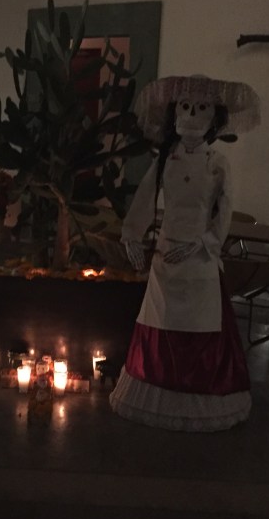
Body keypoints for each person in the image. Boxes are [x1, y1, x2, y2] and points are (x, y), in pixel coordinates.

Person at [109, 75, 260, 431]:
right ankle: (156, 387)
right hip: (165, 255)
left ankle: (202, 396)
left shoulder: (218, 162)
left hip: (200, 257)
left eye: (201, 108)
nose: (191, 115)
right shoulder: (164, 159)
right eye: (185, 107)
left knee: (201, 323)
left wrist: (204, 242)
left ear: (214, 118)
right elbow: (145, 197)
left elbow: (225, 210)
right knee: (160, 323)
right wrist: (132, 236)